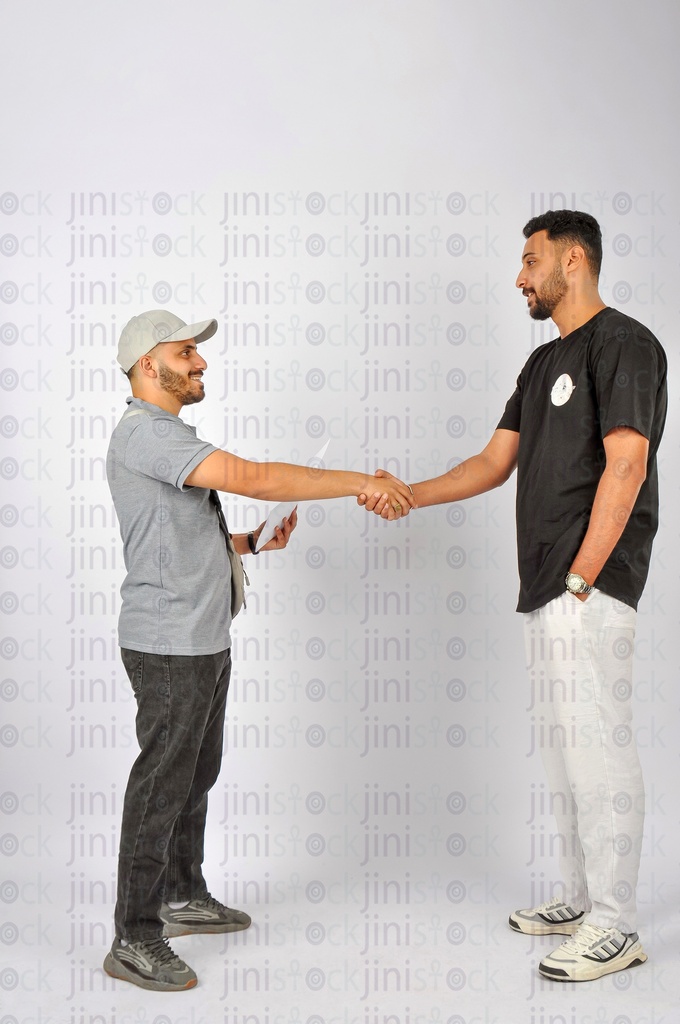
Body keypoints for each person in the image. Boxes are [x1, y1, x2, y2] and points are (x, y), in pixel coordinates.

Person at [363, 211, 667, 982]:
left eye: (531, 262)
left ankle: (617, 924)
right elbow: (491, 463)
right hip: (547, 587)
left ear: (574, 260)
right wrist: (407, 495)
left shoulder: (627, 343)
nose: (519, 277)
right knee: (566, 752)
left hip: (587, 583)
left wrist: (583, 574)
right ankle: (579, 896)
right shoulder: (540, 367)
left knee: (599, 748)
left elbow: (626, 467)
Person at [103, 308, 415, 991]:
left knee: (194, 775)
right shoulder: (143, 434)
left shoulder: (164, 438)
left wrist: (247, 545)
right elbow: (257, 476)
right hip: (168, 646)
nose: (202, 363)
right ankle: (134, 935)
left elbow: (173, 537)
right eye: (188, 352)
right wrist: (357, 481)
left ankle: (181, 893)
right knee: (162, 785)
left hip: (202, 638)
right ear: (150, 366)